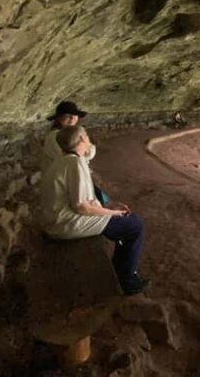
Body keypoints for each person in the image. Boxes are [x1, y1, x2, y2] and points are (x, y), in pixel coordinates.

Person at [41, 124, 150, 295]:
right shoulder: (75, 163)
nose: (88, 139)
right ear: (82, 139)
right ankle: (127, 280)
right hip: (66, 224)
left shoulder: (63, 161)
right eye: (86, 135)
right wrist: (113, 213)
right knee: (135, 226)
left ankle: (121, 272)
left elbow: (80, 201)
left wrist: (107, 207)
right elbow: (82, 207)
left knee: (125, 222)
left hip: (59, 219)